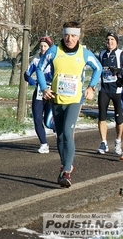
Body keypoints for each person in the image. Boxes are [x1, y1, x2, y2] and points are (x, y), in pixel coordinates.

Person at [36, 21, 102, 188]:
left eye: (73, 36)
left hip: (75, 99)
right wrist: (44, 88)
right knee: (59, 136)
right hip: (57, 99)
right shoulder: (54, 50)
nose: (69, 39)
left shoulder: (84, 53)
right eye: (67, 35)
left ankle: (66, 171)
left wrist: (91, 87)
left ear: (78, 36)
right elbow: (39, 68)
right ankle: (64, 164)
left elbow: (98, 68)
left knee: (67, 132)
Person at [24, 36, 54, 154]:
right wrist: (33, 82)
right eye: (41, 46)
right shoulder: (36, 60)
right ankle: (44, 144)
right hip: (39, 92)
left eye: (45, 46)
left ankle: (59, 133)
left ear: (49, 47)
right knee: (37, 118)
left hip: (51, 92)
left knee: (48, 120)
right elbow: (26, 74)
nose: (42, 48)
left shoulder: (54, 60)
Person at [96, 32, 123, 156]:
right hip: (104, 90)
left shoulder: (120, 53)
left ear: (116, 41)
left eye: (112, 39)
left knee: (119, 119)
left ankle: (118, 142)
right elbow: (96, 68)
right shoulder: (101, 54)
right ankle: (103, 142)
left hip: (117, 90)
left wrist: (118, 71)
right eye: (108, 39)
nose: (110, 42)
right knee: (102, 117)